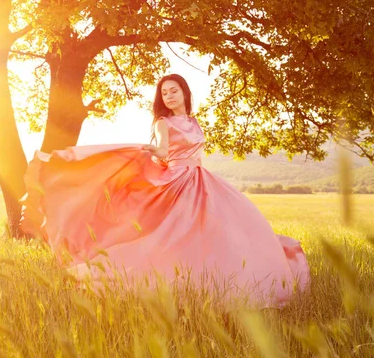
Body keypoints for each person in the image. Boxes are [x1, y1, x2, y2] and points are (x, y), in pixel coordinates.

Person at [19, 73, 309, 308]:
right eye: (164, 93)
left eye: (173, 91)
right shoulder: (163, 122)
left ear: (184, 92)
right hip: (178, 180)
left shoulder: (194, 121)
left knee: (219, 233)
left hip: (201, 180)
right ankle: (165, 283)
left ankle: (219, 283)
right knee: (174, 236)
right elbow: (162, 150)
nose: (168, 96)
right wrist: (147, 148)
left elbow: (197, 153)